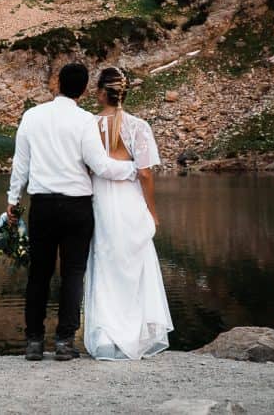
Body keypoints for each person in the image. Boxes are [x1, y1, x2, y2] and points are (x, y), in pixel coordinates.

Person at [6, 62, 138, 361]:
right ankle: (65, 341)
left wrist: (13, 200)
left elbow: (20, 165)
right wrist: (134, 169)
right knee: (73, 273)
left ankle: (34, 342)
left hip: (42, 205)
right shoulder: (85, 121)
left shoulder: (32, 116)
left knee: (38, 273)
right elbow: (100, 166)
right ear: (82, 90)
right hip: (77, 207)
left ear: (57, 83)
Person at [83, 66, 172, 360]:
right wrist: (152, 211)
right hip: (130, 203)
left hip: (100, 203)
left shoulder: (88, 126)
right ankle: (136, 335)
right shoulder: (138, 126)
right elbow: (144, 174)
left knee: (106, 267)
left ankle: (107, 336)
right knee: (136, 267)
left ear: (100, 92)